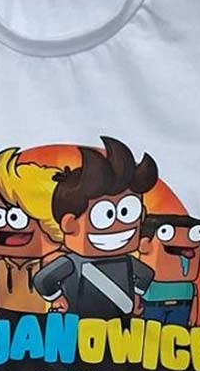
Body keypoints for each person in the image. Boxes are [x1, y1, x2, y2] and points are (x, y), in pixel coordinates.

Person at [34, 136, 156, 320]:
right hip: (80, 325)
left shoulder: (127, 262)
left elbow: (146, 274)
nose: (119, 227)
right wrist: (58, 299)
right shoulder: (72, 263)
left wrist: (137, 295)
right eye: (105, 215)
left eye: (127, 212)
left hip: (120, 326)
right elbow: (43, 280)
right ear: (70, 224)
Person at [0, 148, 62, 325]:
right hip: (6, 314)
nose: (5, 229)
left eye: (16, 218)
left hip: (43, 317)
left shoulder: (51, 262)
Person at [138, 213, 200, 327]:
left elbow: (194, 298)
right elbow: (138, 293)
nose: (183, 242)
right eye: (165, 233)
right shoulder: (147, 280)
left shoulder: (189, 286)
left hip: (182, 306)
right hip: (153, 306)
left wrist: (193, 316)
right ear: (145, 244)